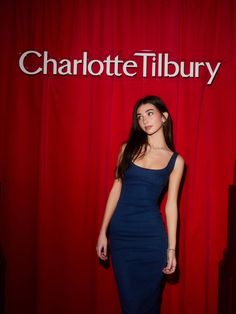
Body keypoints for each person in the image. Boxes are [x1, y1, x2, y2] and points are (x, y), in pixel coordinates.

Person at [96, 95, 185, 314]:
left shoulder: (176, 161)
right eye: (139, 116)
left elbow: (171, 206)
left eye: (150, 113)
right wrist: (102, 231)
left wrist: (172, 249)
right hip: (122, 237)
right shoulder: (127, 149)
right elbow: (116, 188)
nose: (144, 120)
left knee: (149, 304)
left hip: (152, 239)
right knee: (131, 305)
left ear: (164, 117)